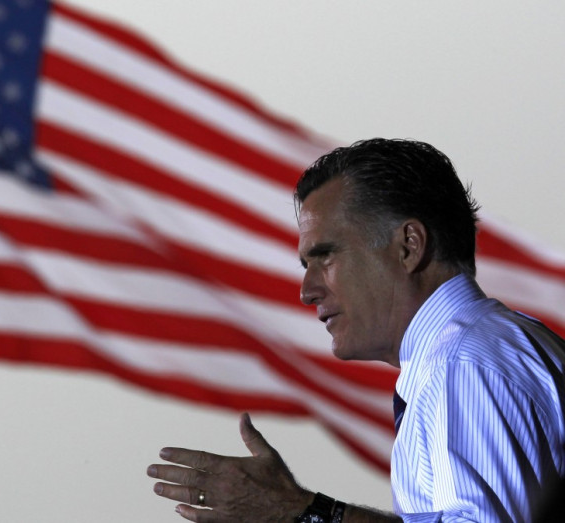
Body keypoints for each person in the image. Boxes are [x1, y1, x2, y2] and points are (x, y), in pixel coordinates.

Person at [146, 138, 565, 522]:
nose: (307, 291)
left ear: (409, 246)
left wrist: (301, 512)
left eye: (325, 256)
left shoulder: (465, 364)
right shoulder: (480, 352)